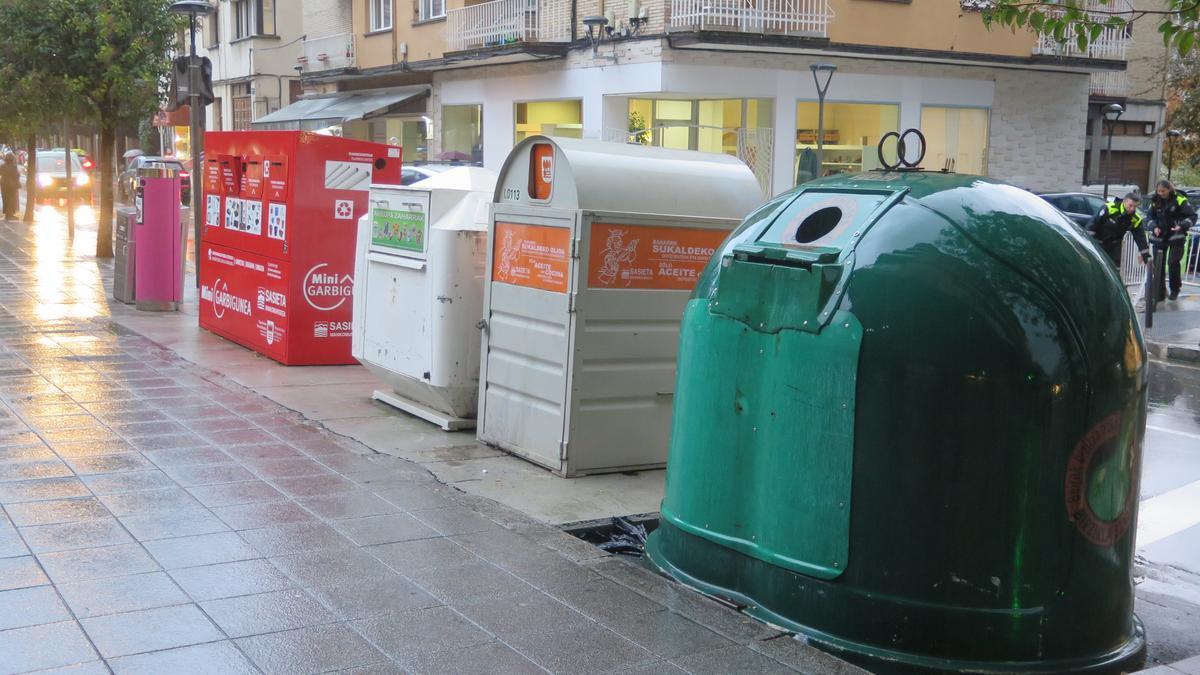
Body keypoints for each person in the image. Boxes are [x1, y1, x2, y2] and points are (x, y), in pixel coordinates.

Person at [1148, 179, 1196, 301]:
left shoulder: (1180, 200)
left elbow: (1192, 216)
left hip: (1176, 235)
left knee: (1173, 262)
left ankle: (1175, 289)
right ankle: (1159, 292)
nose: (1161, 193)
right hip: (1160, 237)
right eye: (1158, 191)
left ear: (1169, 189)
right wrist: (1154, 227)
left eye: (1163, 191)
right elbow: (1149, 217)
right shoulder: (1155, 200)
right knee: (1159, 265)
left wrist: (1182, 225)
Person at [1087, 191, 1150, 269]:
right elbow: (1092, 225)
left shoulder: (1135, 219)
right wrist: (1088, 243)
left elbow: (1141, 238)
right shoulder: (1109, 208)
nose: (1132, 209)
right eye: (1130, 205)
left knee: (1115, 270)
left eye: (1135, 207)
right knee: (1097, 268)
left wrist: (1146, 256)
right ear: (1124, 202)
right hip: (1099, 243)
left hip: (1115, 247)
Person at [0, 153, 20, 221]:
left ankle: (7, 214)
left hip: (4, 185)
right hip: (11, 186)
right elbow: (16, 175)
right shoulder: (14, 167)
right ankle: (10, 215)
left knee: (5, 199)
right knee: (11, 199)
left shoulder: (2, 166)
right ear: (12, 159)